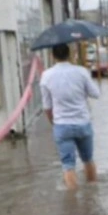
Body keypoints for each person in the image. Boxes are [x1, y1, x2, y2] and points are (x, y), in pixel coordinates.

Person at [40, 43, 101, 190]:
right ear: (70, 54)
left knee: (68, 165)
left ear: (52, 56)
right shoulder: (81, 72)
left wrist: (54, 123)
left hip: (62, 125)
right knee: (88, 160)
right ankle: (92, 194)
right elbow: (96, 94)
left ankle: (72, 201)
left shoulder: (46, 76)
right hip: (83, 123)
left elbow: (47, 107)